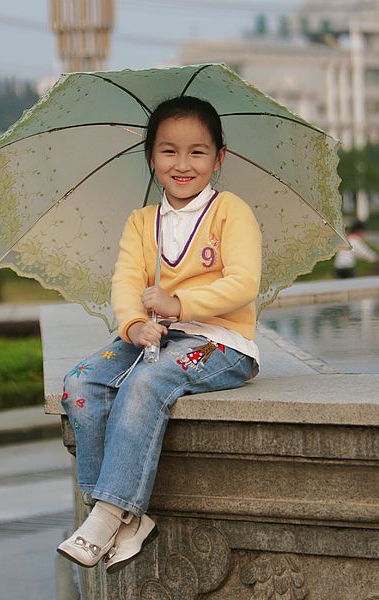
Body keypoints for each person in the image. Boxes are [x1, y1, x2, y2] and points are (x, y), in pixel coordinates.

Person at [57, 96, 262, 573]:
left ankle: (105, 515)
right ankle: (125, 522)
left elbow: (244, 282)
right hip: (156, 337)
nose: (183, 164)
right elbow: (125, 283)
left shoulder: (231, 211)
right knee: (81, 382)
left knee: (147, 382)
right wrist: (134, 324)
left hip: (220, 342)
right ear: (151, 157)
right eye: (169, 151)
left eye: (197, 152)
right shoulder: (140, 221)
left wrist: (180, 305)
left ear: (219, 157)